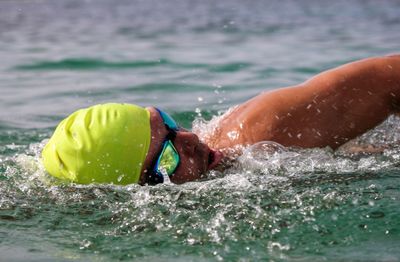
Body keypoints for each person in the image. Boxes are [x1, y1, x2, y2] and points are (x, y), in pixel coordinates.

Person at [42, 54, 400, 185]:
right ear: (141, 186)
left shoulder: (266, 130)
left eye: (170, 123)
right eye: (169, 155)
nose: (193, 140)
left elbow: (392, 77)